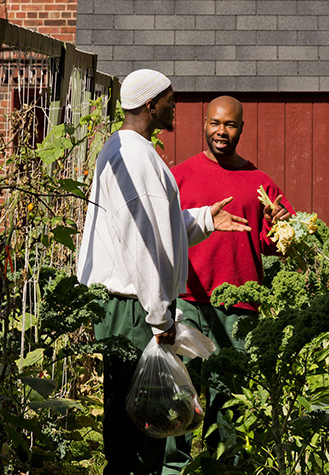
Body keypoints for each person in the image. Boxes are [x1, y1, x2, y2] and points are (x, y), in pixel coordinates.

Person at [76, 70, 251, 474]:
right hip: (133, 308)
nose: (176, 107)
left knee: (138, 417)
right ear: (151, 105)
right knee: (138, 423)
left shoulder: (126, 148)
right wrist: (159, 318)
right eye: (170, 100)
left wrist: (205, 219)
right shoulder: (135, 156)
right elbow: (144, 245)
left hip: (129, 306)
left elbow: (157, 227)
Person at [165, 95, 293, 472]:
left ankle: (227, 469)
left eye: (230, 125)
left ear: (241, 128)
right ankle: (173, 470)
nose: (221, 131)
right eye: (215, 123)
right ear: (204, 124)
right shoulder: (181, 176)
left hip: (238, 309)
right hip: (187, 301)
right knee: (180, 404)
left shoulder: (260, 184)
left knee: (230, 409)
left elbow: (280, 245)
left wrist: (283, 221)